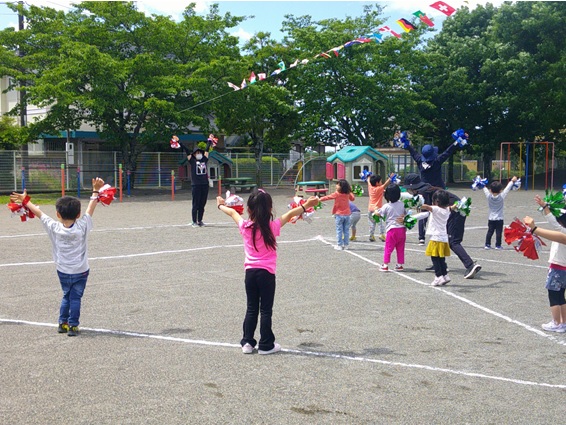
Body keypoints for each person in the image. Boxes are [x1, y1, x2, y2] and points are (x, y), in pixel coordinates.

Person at [217, 189, 320, 354]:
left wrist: (220, 205)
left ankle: (247, 343)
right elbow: (290, 214)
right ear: (270, 210)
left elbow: (231, 212)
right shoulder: (272, 227)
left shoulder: (245, 225)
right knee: (265, 309)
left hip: (250, 273)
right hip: (267, 274)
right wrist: (306, 205)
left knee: (251, 308)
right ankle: (266, 344)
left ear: (249, 209)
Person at [10, 178, 106, 336]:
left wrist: (25, 200)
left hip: (62, 270)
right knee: (75, 298)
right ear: (78, 214)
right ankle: (73, 325)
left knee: (66, 296)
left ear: (57, 214)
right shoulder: (82, 226)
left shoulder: (54, 227)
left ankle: (63, 323)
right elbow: (91, 207)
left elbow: (39, 213)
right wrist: (95, 190)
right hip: (81, 271)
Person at [403, 173, 482, 279]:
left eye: (409, 189)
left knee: (453, 241)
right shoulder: (426, 189)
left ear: (414, 188)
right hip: (451, 211)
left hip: (455, 212)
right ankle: (440, 264)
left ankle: (470, 265)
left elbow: (428, 212)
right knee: (442, 238)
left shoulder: (423, 193)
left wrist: (411, 218)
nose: (409, 191)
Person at [406, 137, 461, 245]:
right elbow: (447, 152)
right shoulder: (437, 161)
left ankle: (421, 238)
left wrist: (406, 143)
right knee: (443, 210)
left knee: (423, 211)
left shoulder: (419, 161)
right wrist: (457, 142)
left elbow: (412, 151)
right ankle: (443, 233)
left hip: (424, 189)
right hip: (438, 190)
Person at [527, 196, 566, 333]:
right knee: (561, 296)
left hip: (557, 268)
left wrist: (533, 227)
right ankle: (563, 323)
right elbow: (554, 222)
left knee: (554, 296)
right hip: (565, 270)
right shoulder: (562, 230)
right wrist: (545, 207)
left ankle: (556, 322)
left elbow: (553, 223)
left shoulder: (562, 232)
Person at [420, 190, 454, 286]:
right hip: (443, 238)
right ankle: (445, 275)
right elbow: (452, 207)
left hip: (436, 238)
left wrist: (418, 204)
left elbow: (427, 207)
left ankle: (438, 276)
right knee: (441, 258)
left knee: (435, 258)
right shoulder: (447, 210)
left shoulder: (436, 209)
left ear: (437, 201)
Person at [179, 140, 213, 227]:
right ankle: (194, 221)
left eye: (199, 152)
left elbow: (207, 150)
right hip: (196, 185)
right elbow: (186, 150)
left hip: (205, 185)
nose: (198, 154)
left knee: (202, 203)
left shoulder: (204, 160)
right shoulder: (192, 161)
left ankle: (200, 220)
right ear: (194, 154)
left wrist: (209, 141)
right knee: (196, 204)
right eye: (196, 153)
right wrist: (180, 142)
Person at [375, 184, 407, 272]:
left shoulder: (387, 206)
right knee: (400, 248)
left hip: (392, 230)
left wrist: (375, 210)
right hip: (402, 229)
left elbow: (379, 214)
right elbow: (407, 214)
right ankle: (399, 264)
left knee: (388, 248)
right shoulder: (402, 204)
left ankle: (385, 265)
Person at [320, 180, 355, 250]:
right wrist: (350, 191)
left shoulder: (337, 193)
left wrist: (319, 199)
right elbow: (353, 198)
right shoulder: (348, 193)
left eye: (338, 185)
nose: (336, 186)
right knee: (346, 230)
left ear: (341, 187)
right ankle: (346, 245)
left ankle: (339, 245)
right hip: (347, 215)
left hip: (339, 215)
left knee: (339, 230)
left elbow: (328, 197)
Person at [483, 176, 518, 249]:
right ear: (500, 190)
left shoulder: (488, 196)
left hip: (491, 218)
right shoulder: (501, 196)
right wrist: (512, 181)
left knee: (490, 231)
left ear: (491, 190)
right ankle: (498, 245)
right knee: (498, 232)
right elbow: (507, 189)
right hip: (499, 218)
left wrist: (480, 181)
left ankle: (487, 244)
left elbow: (484, 188)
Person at [367, 173, 392, 242]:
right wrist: (390, 178)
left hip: (370, 209)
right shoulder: (379, 188)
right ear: (377, 183)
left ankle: (371, 235)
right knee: (380, 222)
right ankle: (381, 234)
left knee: (372, 223)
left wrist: (368, 177)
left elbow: (368, 181)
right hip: (377, 209)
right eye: (380, 181)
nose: (382, 182)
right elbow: (385, 185)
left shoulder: (370, 187)